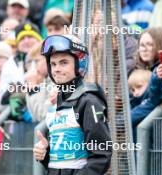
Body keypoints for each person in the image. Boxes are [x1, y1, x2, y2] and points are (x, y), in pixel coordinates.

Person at [33, 35, 112, 175]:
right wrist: (45, 154)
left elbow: (101, 156)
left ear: (79, 63)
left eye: (63, 63)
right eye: (53, 64)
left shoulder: (89, 101)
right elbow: (63, 162)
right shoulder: (58, 100)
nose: (56, 69)